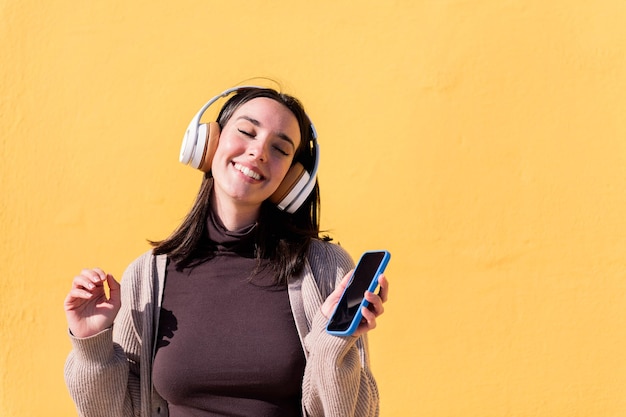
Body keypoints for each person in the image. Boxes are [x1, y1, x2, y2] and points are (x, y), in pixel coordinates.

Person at [64, 86, 389, 417]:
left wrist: (331, 342)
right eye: (246, 131)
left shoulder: (324, 271)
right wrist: (93, 348)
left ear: (293, 180)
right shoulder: (146, 276)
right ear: (208, 143)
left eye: (280, 149)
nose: (259, 151)